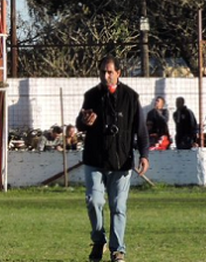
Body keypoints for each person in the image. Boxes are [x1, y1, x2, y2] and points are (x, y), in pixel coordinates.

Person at [75, 56, 148, 262]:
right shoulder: (92, 95)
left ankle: (117, 250)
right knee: (93, 201)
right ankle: (99, 241)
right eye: (102, 72)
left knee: (118, 207)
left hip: (121, 161)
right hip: (94, 160)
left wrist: (144, 155)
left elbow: (140, 130)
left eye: (109, 72)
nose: (105, 76)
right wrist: (84, 122)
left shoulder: (131, 97)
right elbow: (80, 123)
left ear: (118, 73)